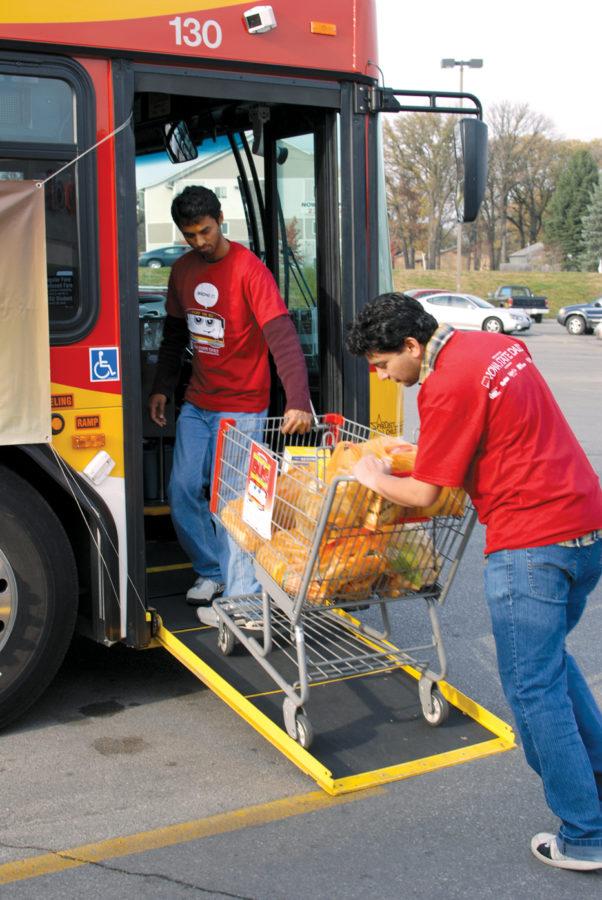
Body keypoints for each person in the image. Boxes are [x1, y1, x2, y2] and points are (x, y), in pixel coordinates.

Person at [346, 293, 602, 872]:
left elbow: (426, 496)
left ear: (413, 346)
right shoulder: (495, 347)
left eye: (384, 363)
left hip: (531, 545)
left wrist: (370, 474)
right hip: (585, 525)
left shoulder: (445, 385)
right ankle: (596, 783)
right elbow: (500, 432)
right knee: (552, 666)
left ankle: (586, 834)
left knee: (533, 692)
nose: (381, 374)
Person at [149, 185, 312, 604]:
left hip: (242, 407)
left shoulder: (249, 270)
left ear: (220, 218)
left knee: (234, 502)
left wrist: (297, 399)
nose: (199, 242)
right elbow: (173, 335)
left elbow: (282, 338)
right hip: (198, 403)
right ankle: (213, 571)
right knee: (182, 490)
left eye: (205, 231)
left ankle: (243, 597)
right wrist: (162, 389)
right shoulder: (183, 270)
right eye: (190, 235)